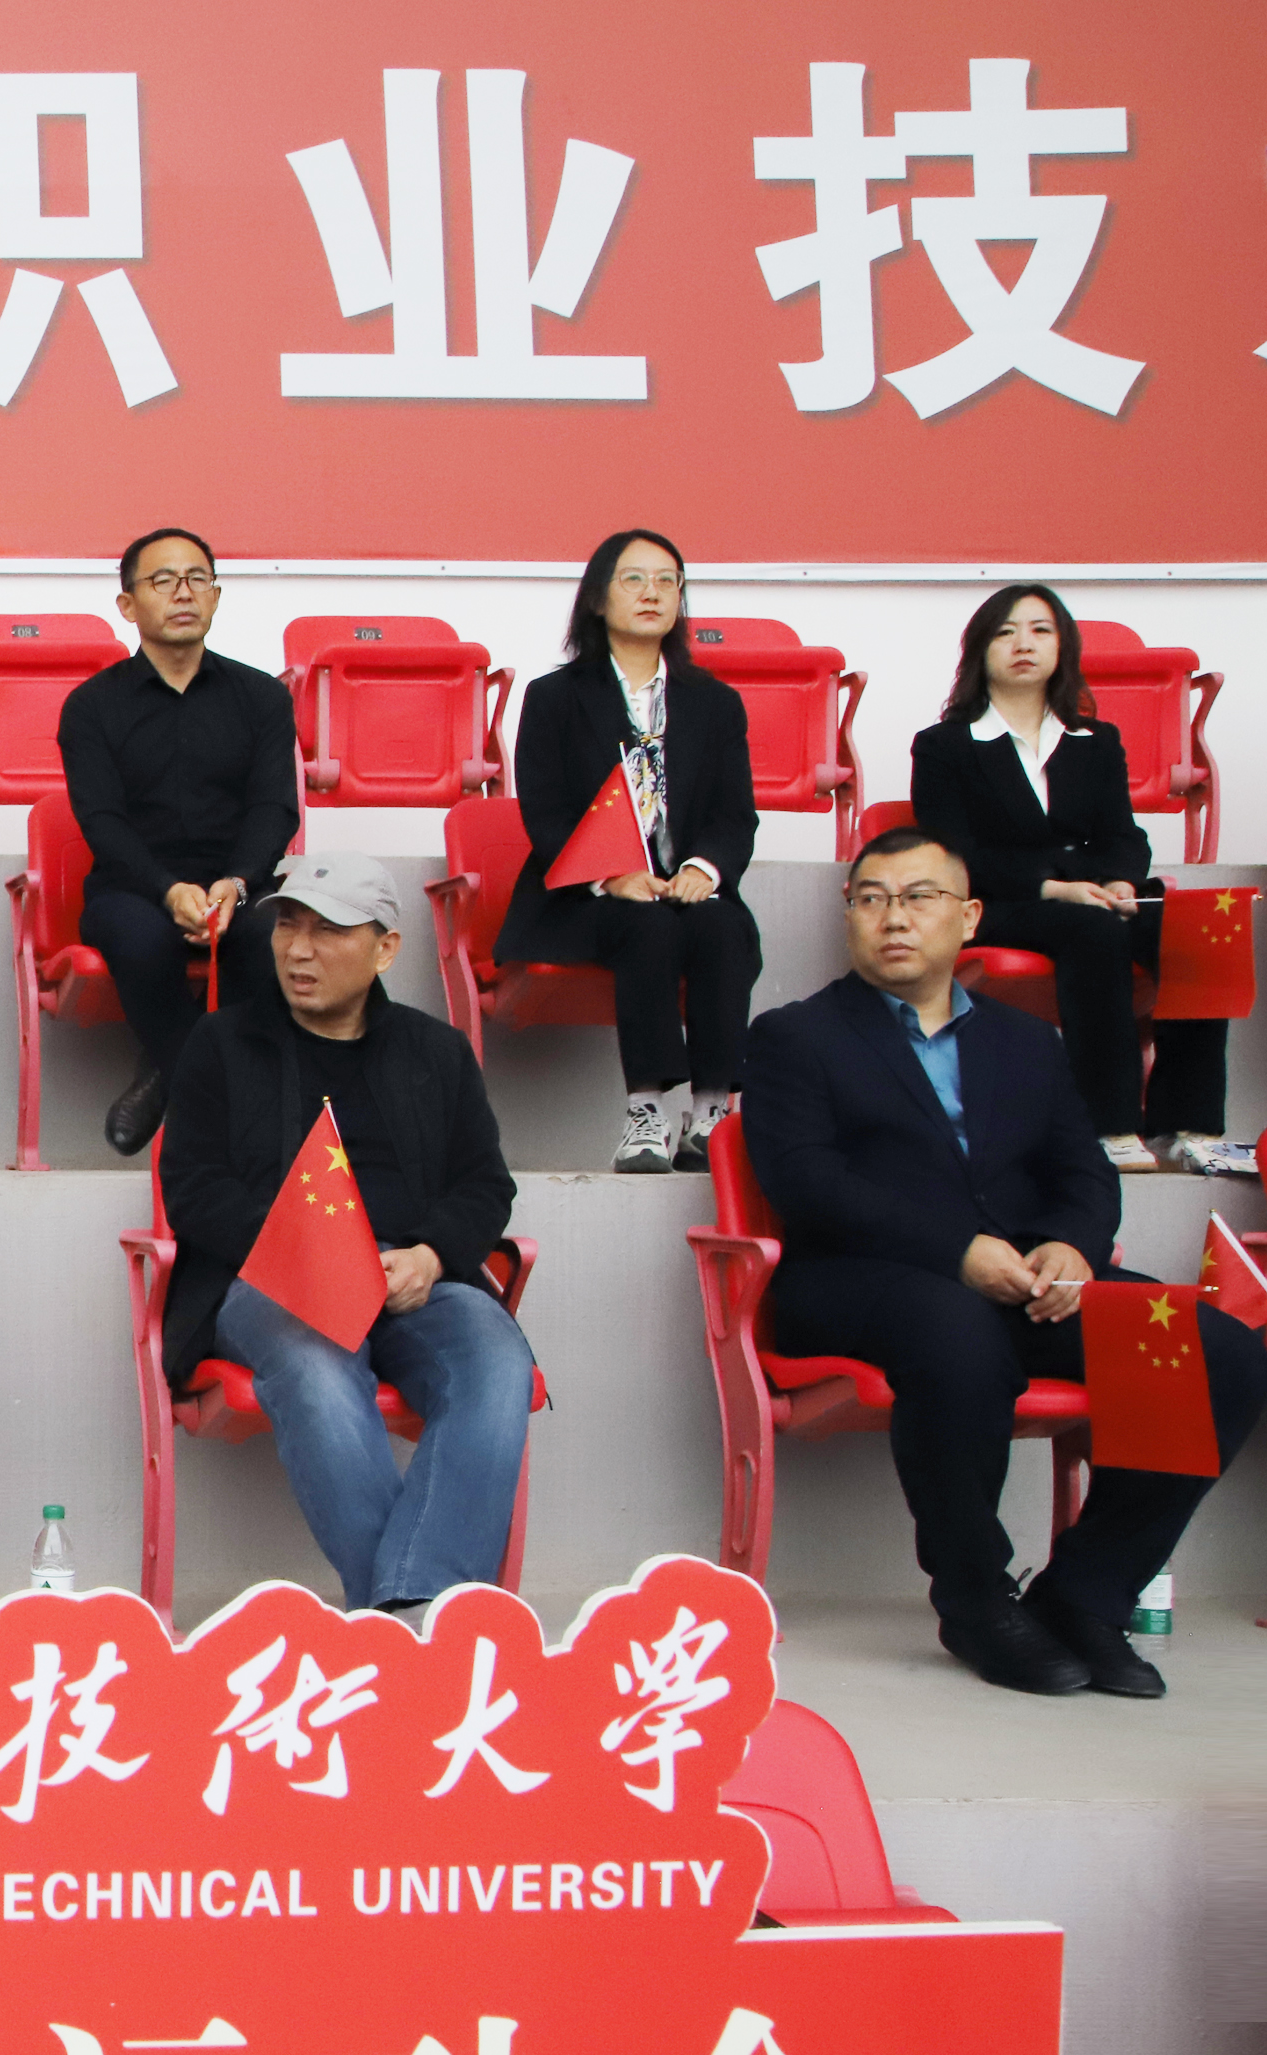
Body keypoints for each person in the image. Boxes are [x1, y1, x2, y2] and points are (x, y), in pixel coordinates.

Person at [743, 828, 1264, 1698]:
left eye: (919, 897)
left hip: (1027, 1282)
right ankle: (976, 1599)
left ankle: (1086, 1595)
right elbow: (808, 1183)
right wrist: (956, 1252)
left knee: (1223, 1355)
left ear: (970, 916)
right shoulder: (795, 1036)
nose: (894, 918)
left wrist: (1073, 1248)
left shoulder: (1027, 1041)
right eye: (871, 898)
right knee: (956, 1333)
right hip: (861, 1279)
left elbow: (1084, 1173)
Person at [159, 850, 532, 1615]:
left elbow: (485, 1183)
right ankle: (413, 1616)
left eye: (327, 931)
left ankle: (409, 1602)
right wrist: (310, 1253)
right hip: (276, 1279)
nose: (299, 950)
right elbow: (192, 1188)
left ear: (385, 949)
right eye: (287, 926)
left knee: (498, 1359)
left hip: (411, 1276)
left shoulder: (437, 1052)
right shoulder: (221, 1045)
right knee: (314, 1363)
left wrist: (431, 1253)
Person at [910, 583, 1235, 1173]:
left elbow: (1123, 836)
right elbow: (953, 854)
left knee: (1196, 926)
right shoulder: (944, 746)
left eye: (1040, 630)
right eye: (1005, 632)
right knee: (1093, 930)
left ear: (1063, 648)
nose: (1023, 644)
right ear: (980, 651)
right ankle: (1109, 1125)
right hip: (994, 903)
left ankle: (1186, 1125)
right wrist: (1053, 886)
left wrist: (1118, 881)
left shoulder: (1095, 741)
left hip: (1087, 896)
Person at [502, 529, 760, 1174]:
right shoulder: (555, 697)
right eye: (634, 579)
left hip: (684, 888)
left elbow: (735, 813)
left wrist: (703, 869)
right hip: (586, 895)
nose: (653, 593)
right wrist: (611, 876)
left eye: (668, 580)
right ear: (597, 598)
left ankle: (710, 1112)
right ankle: (644, 1112)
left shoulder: (716, 703)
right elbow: (546, 811)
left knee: (724, 926)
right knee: (647, 927)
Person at [55, 527, 299, 1156]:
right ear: (128, 604)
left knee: (271, 936)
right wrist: (168, 891)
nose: (182, 593)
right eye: (162, 581)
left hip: (240, 882)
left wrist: (237, 884)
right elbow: (102, 821)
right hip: (134, 887)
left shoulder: (263, 698)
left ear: (216, 596)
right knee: (142, 939)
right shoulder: (91, 707)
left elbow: (275, 808)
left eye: (196, 579)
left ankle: (163, 1074)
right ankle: (228, 1096)